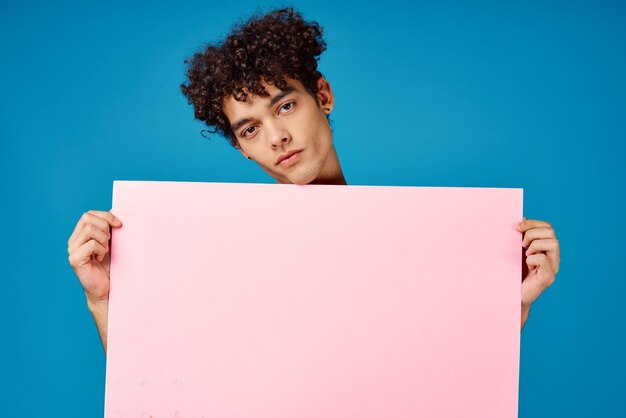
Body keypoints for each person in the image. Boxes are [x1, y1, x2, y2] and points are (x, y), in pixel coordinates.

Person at [67, 7, 560, 355]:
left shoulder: (413, 240)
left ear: (322, 94)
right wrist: (103, 300)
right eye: (252, 128)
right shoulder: (225, 251)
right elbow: (160, 385)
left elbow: (451, 375)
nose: (278, 137)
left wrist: (509, 301)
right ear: (241, 146)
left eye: (285, 105)